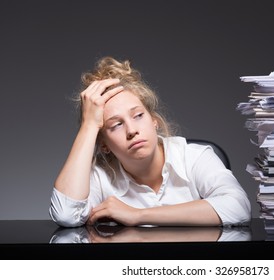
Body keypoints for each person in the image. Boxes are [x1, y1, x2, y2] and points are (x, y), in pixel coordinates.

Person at [49, 56, 251, 228]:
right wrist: (89, 126)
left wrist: (137, 215)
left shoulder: (195, 157)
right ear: (103, 144)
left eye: (138, 116)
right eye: (116, 125)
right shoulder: (100, 177)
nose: (132, 130)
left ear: (154, 120)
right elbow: (66, 213)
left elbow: (238, 207)